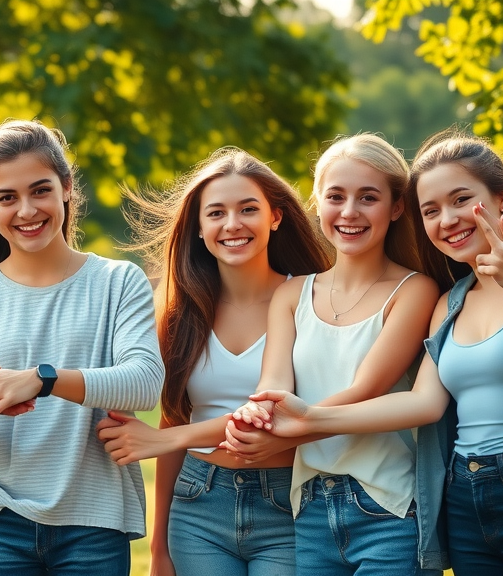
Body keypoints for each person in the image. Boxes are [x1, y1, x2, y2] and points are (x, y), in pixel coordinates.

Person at [245, 131, 503, 576]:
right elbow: (424, 401)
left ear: (502, 198)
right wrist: (300, 420)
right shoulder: (452, 301)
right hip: (464, 493)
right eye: (432, 210)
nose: (448, 220)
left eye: (462, 200)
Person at [0, 119, 165, 575]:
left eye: (40, 190)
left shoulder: (117, 281)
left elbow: (145, 384)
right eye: (7, 197)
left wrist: (40, 380)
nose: (27, 210)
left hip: (94, 523)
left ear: (67, 188)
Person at [95, 148, 330, 575]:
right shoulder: (179, 315)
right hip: (198, 503)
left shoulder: (311, 301)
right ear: (200, 228)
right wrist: (160, 546)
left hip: (288, 504)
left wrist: (165, 439)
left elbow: (299, 413)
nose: (232, 224)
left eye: (248, 209)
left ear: (275, 217)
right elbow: (174, 420)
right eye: (216, 213)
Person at [223, 134, 441, 575]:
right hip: (310, 510)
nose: (350, 212)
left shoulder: (415, 290)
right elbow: (273, 386)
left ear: (397, 207)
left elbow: (367, 388)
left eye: (368, 198)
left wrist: (284, 430)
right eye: (336, 196)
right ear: (317, 202)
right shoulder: (292, 294)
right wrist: (258, 416)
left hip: (388, 506)